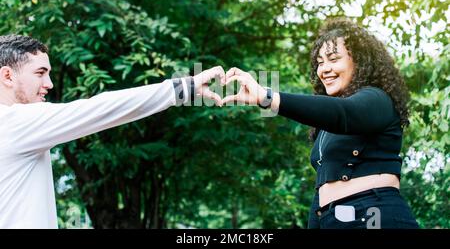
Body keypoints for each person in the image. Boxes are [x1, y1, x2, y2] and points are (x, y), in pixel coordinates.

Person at [0, 34, 225, 229]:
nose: (49, 83)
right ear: (8, 76)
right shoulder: (14, 123)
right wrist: (185, 88)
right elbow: (98, 109)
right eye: (40, 73)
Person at [222, 18, 419, 229]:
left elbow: (343, 113)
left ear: (360, 61)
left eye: (333, 59)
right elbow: (322, 192)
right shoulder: (325, 128)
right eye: (320, 62)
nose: (324, 69)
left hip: (374, 216)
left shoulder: (377, 99)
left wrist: (266, 97)